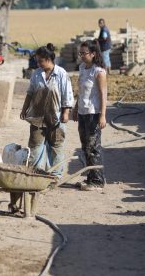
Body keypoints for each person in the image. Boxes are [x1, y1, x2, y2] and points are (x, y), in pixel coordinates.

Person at [20, 43, 74, 176]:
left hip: (56, 116)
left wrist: (66, 113)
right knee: (35, 146)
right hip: (37, 117)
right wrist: (24, 109)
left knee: (55, 147)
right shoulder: (37, 74)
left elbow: (67, 94)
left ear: (48, 59)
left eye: (40, 61)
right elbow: (30, 93)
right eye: (37, 61)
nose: (38, 64)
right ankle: (35, 173)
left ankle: (55, 175)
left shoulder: (61, 74)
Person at [72, 40, 107, 191]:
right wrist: (75, 108)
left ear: (93, 54)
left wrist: (103, 115)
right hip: (82, 112)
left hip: (94, 113)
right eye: (80, 53)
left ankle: (98, 180)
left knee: (94, 147)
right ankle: (90, 177)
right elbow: (81, 91)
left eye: (84, 53)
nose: (81, 56)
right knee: (85, 146)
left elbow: (103, 94)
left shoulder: (98, 72)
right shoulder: (82, 68)